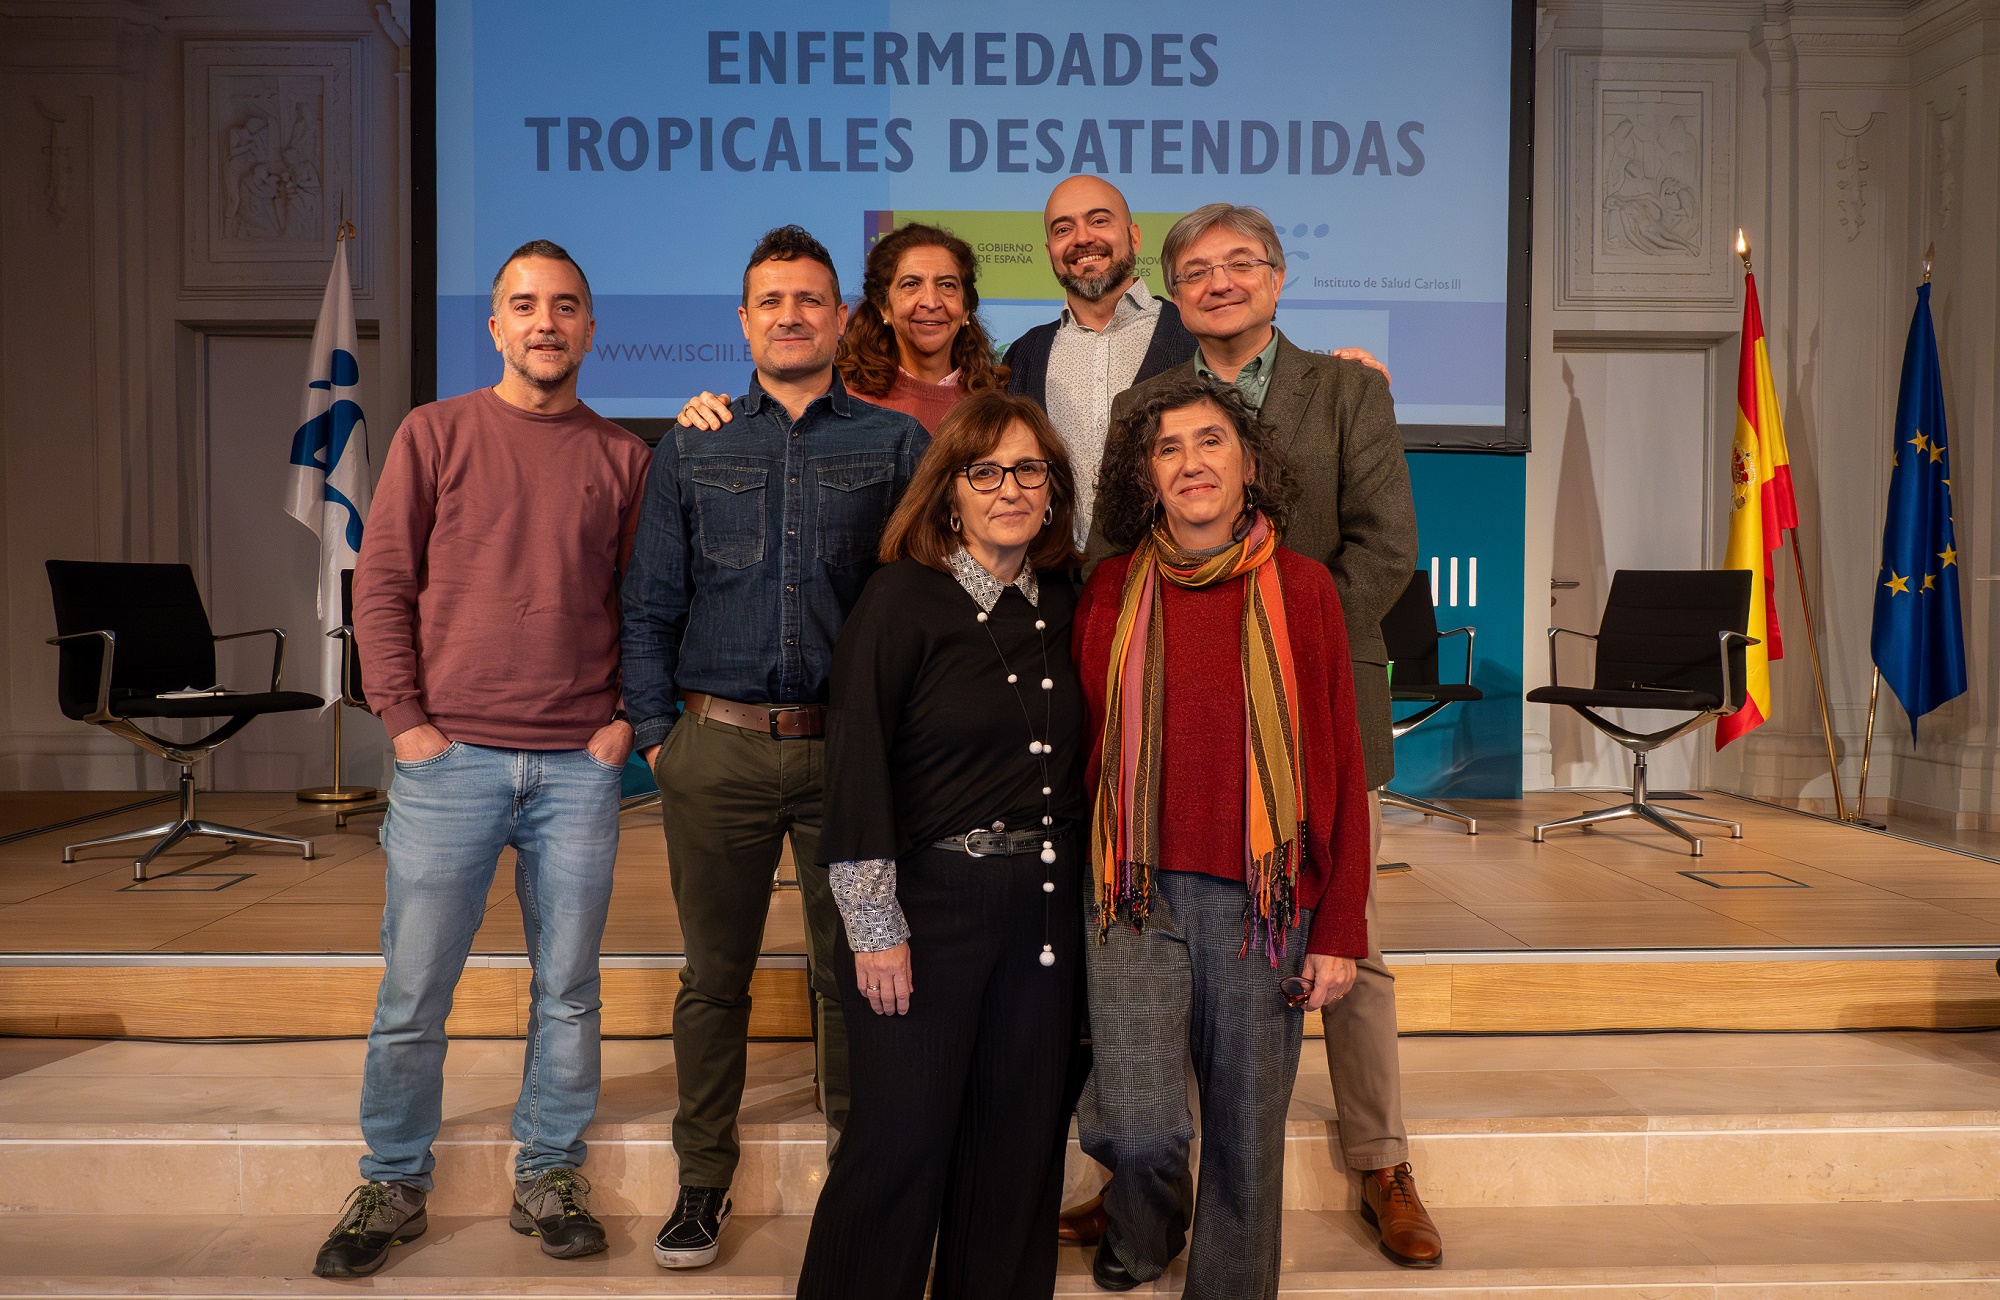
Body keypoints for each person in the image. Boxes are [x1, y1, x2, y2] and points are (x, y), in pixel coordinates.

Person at [1100, 204, 1439, 1269]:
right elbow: (1125, 538)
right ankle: (1137, 1186)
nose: (1217, 282)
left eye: (1237, 264)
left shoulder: (1347, 388)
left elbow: (1385, 549)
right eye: (1192, 271)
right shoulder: (1154, 400)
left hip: (1312, 707)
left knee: (1344, 942)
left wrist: (1282, 643)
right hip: (1181, 728)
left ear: (1277, 276)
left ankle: (1379, 1158)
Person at [318, 239, 650, 1278]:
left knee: (567, 987)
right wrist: (404, 719)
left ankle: (549, 1167)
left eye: (564, 305)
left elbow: (644, 608)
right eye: (523, 304)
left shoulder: (623, 458)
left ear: (590, 328)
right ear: (495, 326)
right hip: (447, 757)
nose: (545, 321)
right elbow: (378, 587)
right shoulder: (433, 433)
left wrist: (624, 723)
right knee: (414, 987)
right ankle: (392, 1177)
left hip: (577, 766)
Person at [620, 225, 929, 1270]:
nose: (789, 315)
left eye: (809, 299)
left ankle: (861, 1167)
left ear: (842, 319)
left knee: (854, 972)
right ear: (744, 320)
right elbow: (649, 605)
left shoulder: (893, 445)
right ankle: (702, 1177)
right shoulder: (692, 444)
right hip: (718, 750)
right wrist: (661, 739)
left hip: (851, 759)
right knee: (714, 978)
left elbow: (924, 609)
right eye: (769, 300)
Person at [1075, 374, 1371, 1298]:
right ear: (1146, 477)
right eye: (1168, 448)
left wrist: (1341, 927)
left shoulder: (1306, 588)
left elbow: (1342, 763)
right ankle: (1143, 1224)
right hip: (1133, 890)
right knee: (1139, 1121)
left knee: (1247, 1135)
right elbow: (1080, 752)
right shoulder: (1112, 588)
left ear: (1249, 465)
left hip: (1265, 900)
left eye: (1210, 442)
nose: (1192, 462)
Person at [796, 390, 1087, 1299]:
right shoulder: (900, 601)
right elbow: (855, 769)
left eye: (1029, 470)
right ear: (949, 491)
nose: (1009, 488)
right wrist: (873, 926)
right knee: (899, 1144)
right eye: (986, 471)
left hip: (1043, 915)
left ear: (1053, 491)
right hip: (926, 914)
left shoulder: (1070, 603)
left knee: (1017, 1150)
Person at [1005, 176, 1389, 550]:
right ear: (1179, 291)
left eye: (1100, 220)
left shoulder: (1211, 330)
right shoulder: (1025, 355)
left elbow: (1382, 542)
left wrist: (1309, 613)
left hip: (1305, 608)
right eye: (1063, 228)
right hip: (1102, 596)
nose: (1219, 285)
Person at [672, 222, 1005, 436]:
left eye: (947, 285)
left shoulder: (1000, 398)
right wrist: (701, 413)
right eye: (910, 284)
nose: (930, 301)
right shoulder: (836, 397)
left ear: (966, 308)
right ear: (884, 306)